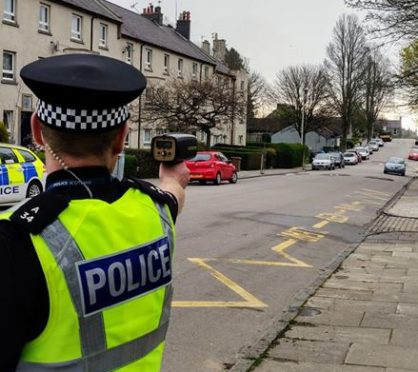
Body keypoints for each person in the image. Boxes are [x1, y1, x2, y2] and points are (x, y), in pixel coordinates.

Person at [0, 54, 190, 371]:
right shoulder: (156, 211)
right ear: (121, 138)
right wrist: (172, 178)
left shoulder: (15, 241)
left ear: (36, 130)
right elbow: (174, 194)